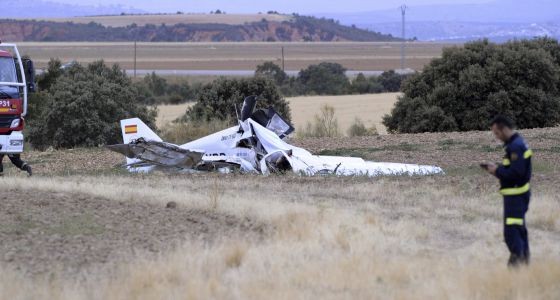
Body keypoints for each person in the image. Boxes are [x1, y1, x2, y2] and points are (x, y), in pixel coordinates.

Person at [482, 115, 532, 267]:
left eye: (497, 133)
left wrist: (496, 171)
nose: (497, 137)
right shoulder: (517, 143)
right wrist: (499, 168)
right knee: (520, 229)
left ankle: (517, 266)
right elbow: (514, 169)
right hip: (517, 196)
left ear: (503, 129)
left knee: (511, 232)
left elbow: (516, 174)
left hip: (515, 197)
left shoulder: (515, 146)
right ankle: (525, 264)